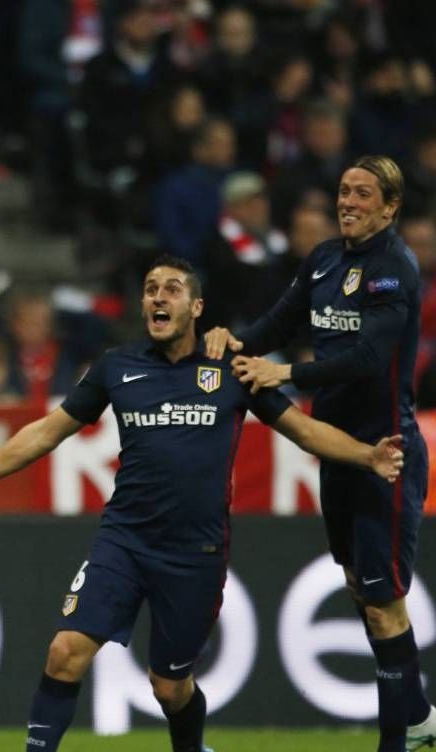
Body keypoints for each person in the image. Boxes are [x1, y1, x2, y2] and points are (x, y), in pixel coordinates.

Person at [0, 256, 406, 752]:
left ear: (195, 307)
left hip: (195, 553)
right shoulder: (117, 366)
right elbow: (47, 431)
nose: (157, 296)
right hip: (124, 540)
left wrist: (367, 455)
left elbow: (302, 430)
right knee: (65, 651)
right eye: (151, 287)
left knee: (169, 686)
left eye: (172, 289)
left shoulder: (231, 370)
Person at [204, 155, 436, 751]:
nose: (349, 202)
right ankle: (420, 715)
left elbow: (368, 359)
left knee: (384, 603)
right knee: (362, 587)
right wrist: (233, 340)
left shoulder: (393, 270)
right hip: (337, 449)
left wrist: (285, 372)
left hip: (384, 450)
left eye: (363, 194)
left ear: (389, 207)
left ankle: (399, 741)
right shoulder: (325, 259)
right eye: (344, 191)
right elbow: (278, 323)